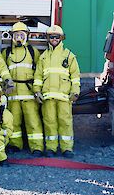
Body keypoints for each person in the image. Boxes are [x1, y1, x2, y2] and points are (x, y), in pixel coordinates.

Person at [33, 25, 80, 158]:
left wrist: (75, 92)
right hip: (48, 98)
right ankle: (51, 148)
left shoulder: (69, 56)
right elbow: (38, 77)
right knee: (49, 122)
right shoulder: (43, 57)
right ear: (48, 39)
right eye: (51, 37)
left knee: (65, 122)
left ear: (61, 38)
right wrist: (37, 92)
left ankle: (67, 149)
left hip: (65, 98)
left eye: (57, 37)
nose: (54, 39)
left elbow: (75, 77)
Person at [2, 22, 43, 155]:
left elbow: (39, 72)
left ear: (26, 36)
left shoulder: (33, 51)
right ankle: (15, 145)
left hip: (29, 93)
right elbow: (1, 72)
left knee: (33, 121)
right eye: (16, 35)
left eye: (21, 34)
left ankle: (37, 147)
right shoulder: (6, 52)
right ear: (12, 37)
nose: (19, 37)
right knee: (14, 122)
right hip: (13, 93)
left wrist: (37, 90)